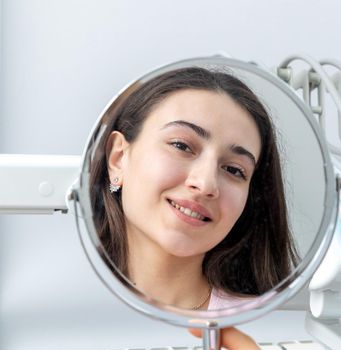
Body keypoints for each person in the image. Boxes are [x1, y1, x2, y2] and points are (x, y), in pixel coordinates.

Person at [89, 66, 298, 311]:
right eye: (181, 145)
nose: (206, 184)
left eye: (234, 170)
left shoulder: (270, 329)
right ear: (118, 158)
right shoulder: (53, 309)